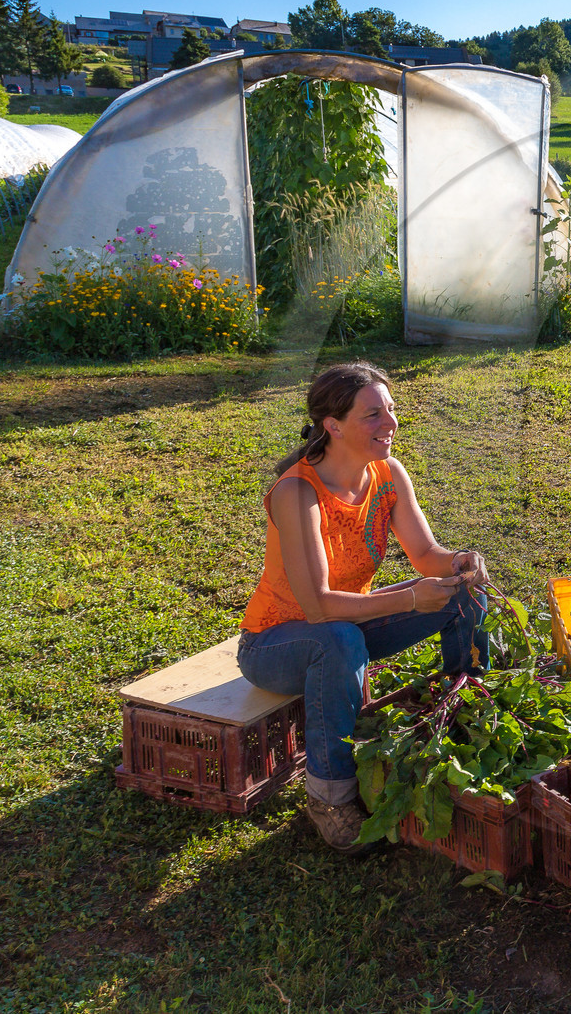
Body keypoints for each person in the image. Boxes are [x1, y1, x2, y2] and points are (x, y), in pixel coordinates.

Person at [237, 361, 490, 853]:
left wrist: (459, 561)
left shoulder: (387, 473)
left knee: (464, 592)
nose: (390, 425)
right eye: (373, 415)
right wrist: (411, 597)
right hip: (275, 644)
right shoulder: (297, 492)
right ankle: (330, 798)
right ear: (333, 425)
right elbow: (316, 608)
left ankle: (465, 711)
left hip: (349, 624)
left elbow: (425, 556)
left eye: (391, 411)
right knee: (337, 639)